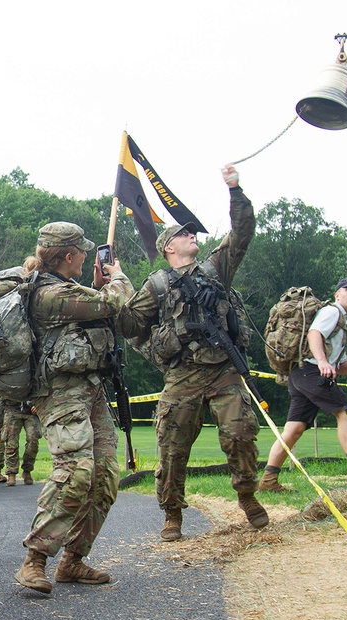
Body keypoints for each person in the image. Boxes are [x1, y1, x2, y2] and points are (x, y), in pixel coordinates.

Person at [117, 165, 268, 542]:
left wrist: (234, 190)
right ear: (169, 246)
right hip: (182, 375)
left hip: (223, 371)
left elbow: (242, 234)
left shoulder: (215, 270)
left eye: (192, 232)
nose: (191, 235)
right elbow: (131, 325)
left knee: (240, 435)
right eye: (183, 233)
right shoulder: (157, 284)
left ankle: (247, 496)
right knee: (171, 445)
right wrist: (110, 289)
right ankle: (172, 513)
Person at [13, 221, 132, 594]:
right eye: (82, 250)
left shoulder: (68, 291)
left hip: (89, 389)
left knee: (105, 476)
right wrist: (118, 277)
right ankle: (35, 559)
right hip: (60, 393)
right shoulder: (48, 294)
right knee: (76, 472)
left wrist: (98, 286)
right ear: (69, 256)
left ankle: (73, 560)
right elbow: (116, 301)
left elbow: (95, 312)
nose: (86, 256)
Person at [259, 278, 347, 491]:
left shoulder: (342, 324)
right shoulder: (333, 312)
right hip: (311, 372)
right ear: (337, 294)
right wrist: (321, 361)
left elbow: (340, 366)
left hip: (301, 374)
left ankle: (268, 481)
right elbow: (314, 333)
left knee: (294, 429)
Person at [0, 399, 42, 486]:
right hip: (12, 408)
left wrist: (38, 404)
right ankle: (11, 473)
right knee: (11, 443)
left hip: (30, 411)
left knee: (33, 441)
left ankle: (27, 470)